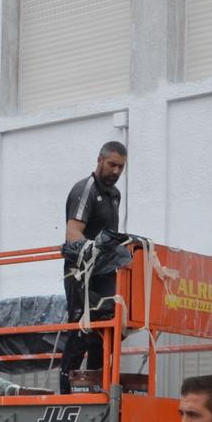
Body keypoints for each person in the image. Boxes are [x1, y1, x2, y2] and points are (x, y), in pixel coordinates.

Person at [57, 141, 127, 391]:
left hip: (104, 271)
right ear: (99, 160)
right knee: (81, 330)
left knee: (105, 328)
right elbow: (73, 233)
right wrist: (95, 254)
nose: (116, 171)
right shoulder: (85, 190)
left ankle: (97, 386)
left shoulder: (115, 195)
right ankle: (65, 391)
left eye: (121, 167)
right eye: (112, 165)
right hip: (81, 271)